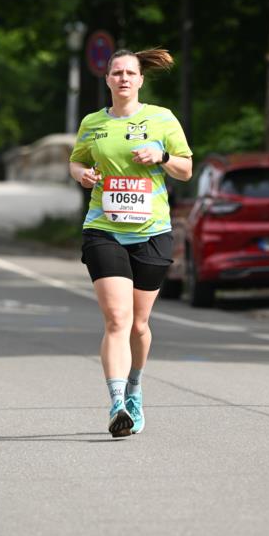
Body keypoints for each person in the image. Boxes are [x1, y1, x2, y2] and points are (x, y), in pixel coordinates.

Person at [69, 48, 193, 437]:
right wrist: (82, 175)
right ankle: (117, 402)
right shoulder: (92, 123)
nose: (123, 78)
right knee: (117, 319)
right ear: (107, 80)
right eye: (116, 72)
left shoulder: (162, 119)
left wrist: (161, 155)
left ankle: (136, 387)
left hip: (152, 232)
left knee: (139, 324)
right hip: (104, 228)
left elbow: (186, 168)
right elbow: (75, 161)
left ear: (140, 80)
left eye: (130, 73)